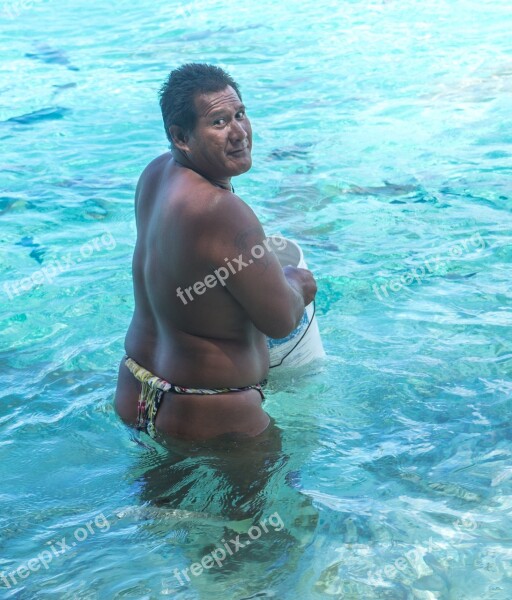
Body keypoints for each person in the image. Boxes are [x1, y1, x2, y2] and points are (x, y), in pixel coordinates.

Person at [114, 63, 317, 441]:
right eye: (219, 122)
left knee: (158, 503)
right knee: (277, 503)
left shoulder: (155, 175)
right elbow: (279, 322)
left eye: (240, 114)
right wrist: (298, 285)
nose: (240, 132)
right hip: (210, 415)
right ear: (181, 137)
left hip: (137, 392)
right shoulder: (222, 211)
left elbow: (194, 284)